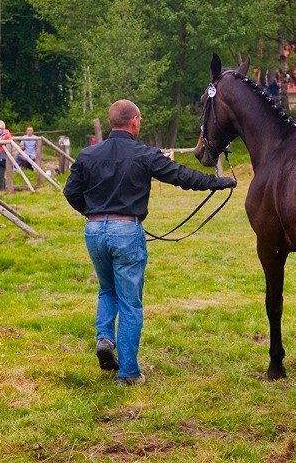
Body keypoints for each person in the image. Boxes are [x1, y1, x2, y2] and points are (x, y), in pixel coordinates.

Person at [63, 99, 236, 386]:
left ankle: (105, 337)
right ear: (134, 121)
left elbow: (71, 192)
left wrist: (93, 213)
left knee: (107, 290)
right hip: (126, 231)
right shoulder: (144, 154)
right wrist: (217, 182)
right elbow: (180, 176)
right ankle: (129, 373)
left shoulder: (88, 154)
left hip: (94, 230)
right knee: (131, 303)